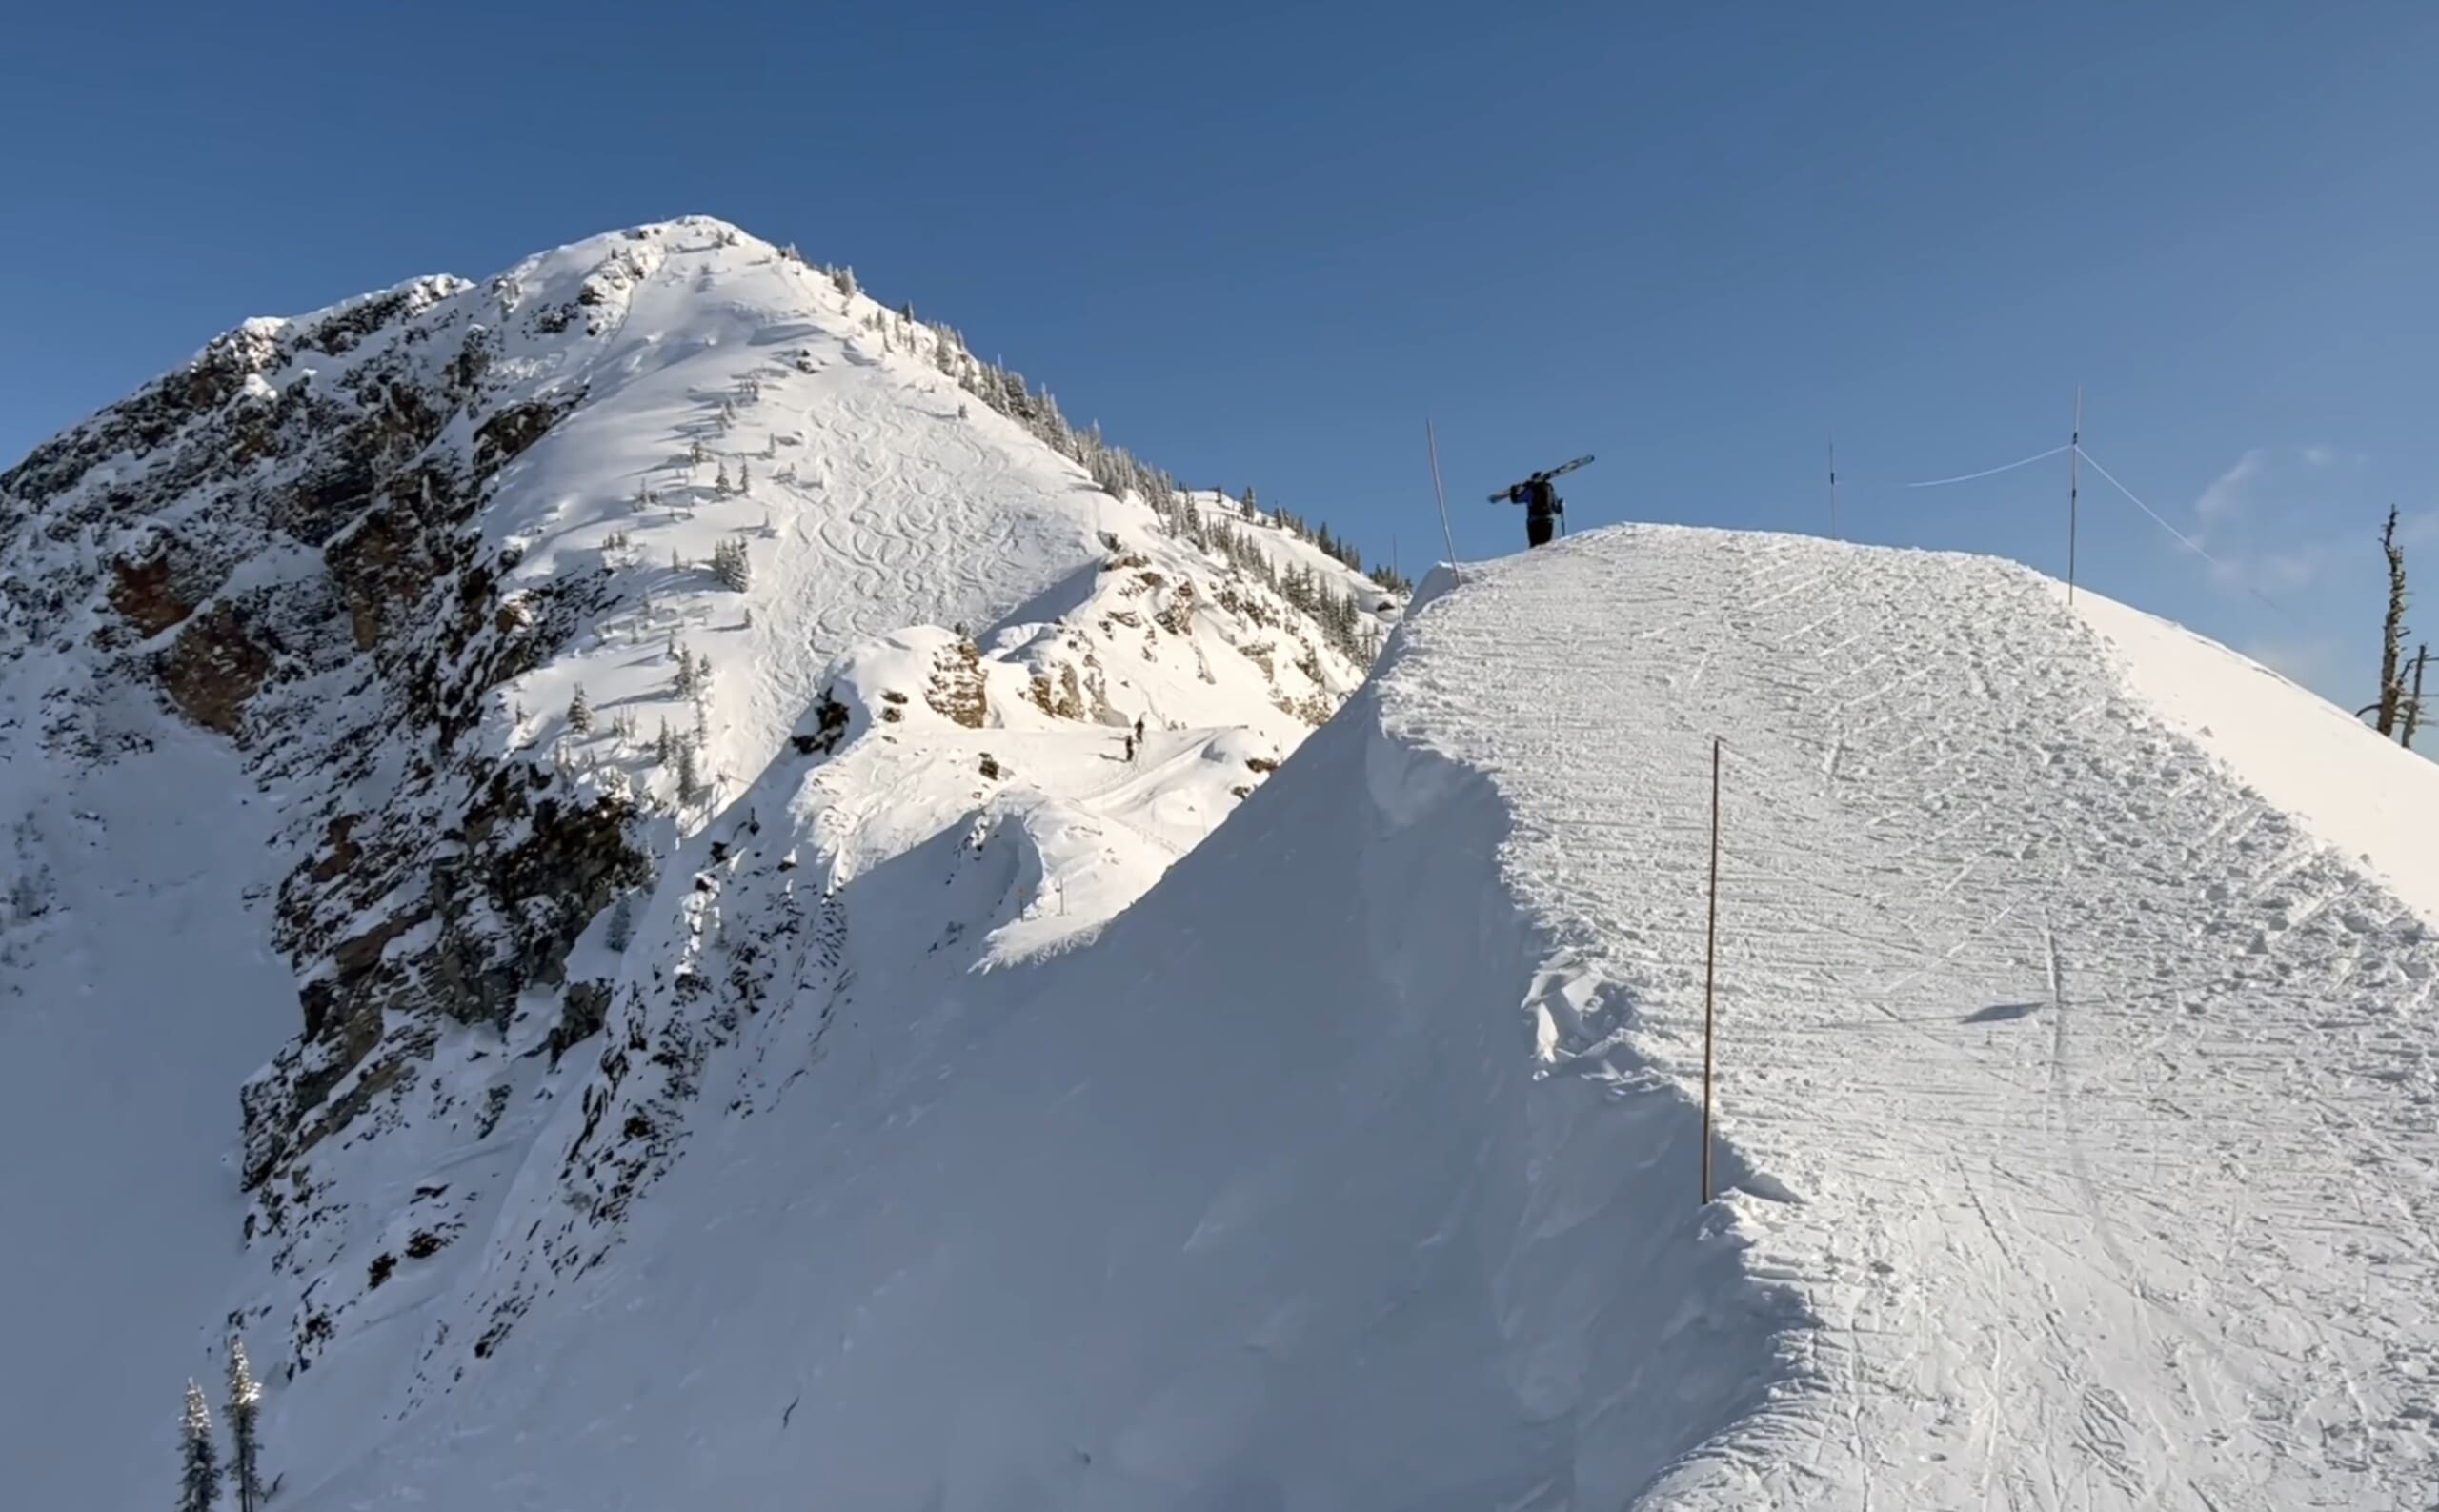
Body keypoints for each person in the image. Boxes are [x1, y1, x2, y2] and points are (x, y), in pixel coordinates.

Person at [1505, 474, 1562, 548]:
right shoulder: (1549, 489)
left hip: (1535, 522)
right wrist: (1560, 506)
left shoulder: (1531, 489)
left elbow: (1516, 500)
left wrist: (1513, 491)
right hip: (1548, 521)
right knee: (1546, 546)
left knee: (1535, 547)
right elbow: (1557, 509)